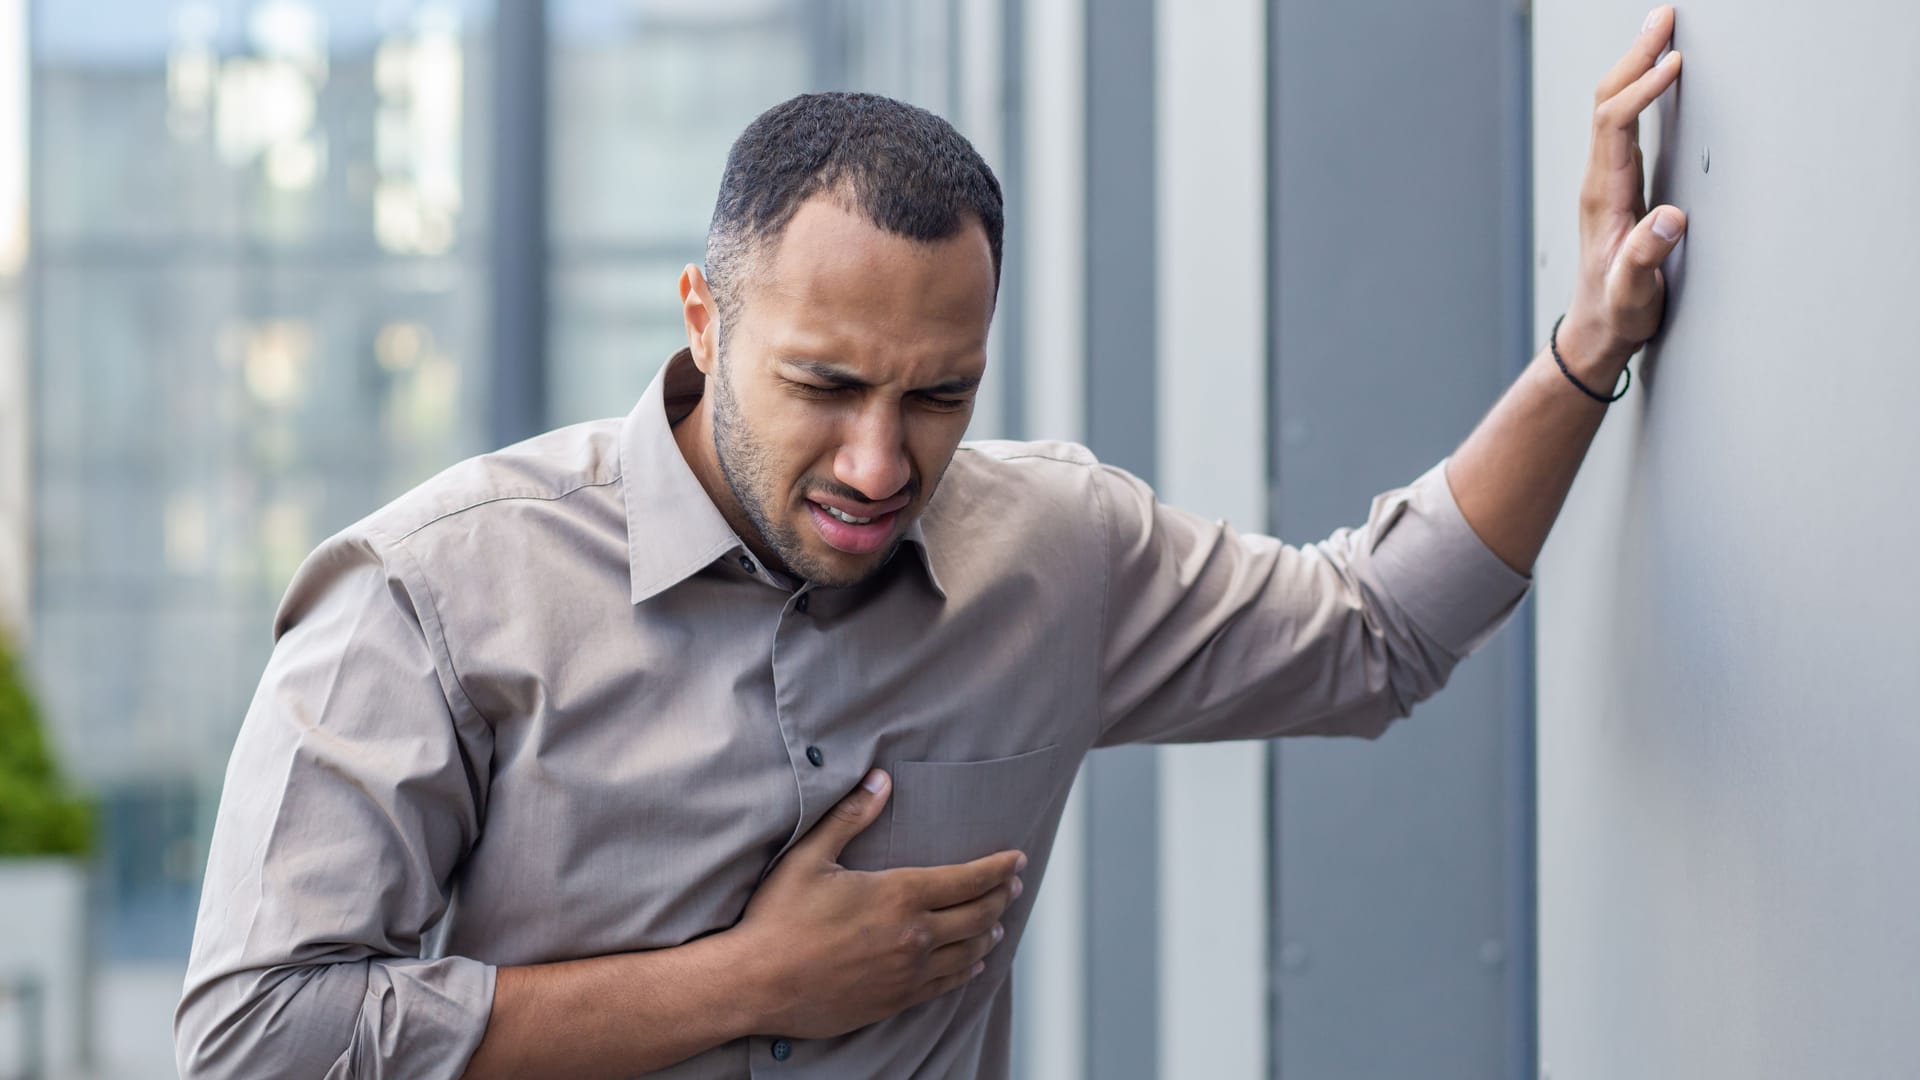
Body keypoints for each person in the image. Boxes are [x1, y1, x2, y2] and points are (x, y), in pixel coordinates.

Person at [175, 10, 1687, 1078]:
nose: (879, 462)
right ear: (706, 320)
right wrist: (746, 986)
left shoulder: (1058, 550)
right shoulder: (435, 593)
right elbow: (258, 1039)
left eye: (941, 395)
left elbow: (1376, 631)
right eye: (826, 387)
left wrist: (1583, 349)